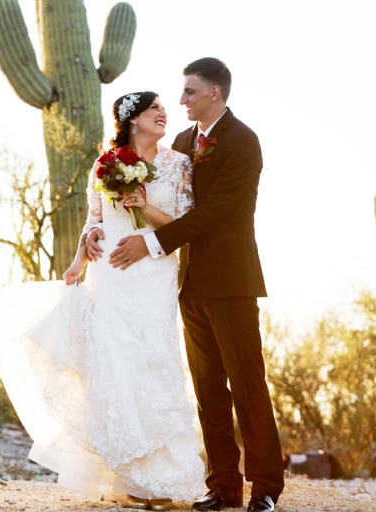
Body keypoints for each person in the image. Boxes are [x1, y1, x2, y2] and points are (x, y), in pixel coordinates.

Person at [0, 91, 204, 511]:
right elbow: (95, 216)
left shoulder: (178, 163)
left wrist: (146, 207)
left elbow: (187, 221)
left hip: (152, 272)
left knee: (152, 358)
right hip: (108, 271)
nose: (164, 114)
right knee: (113, 362)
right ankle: (132, 480)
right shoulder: (104, 164)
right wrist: (79, 256)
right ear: (131, 120)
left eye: (164, 108)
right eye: (154, 109)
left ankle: (163, 477)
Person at [108, 58, 284, 512]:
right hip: (187, 283)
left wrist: (150, 243)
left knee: (247, 384)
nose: (181, 100)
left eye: (189, 92)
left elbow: (214, 213)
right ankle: (223, 486)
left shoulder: (244, 142)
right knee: (208, 387)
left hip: (232, 280)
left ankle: (264, 487)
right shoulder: (184, 143)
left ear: (214, 94)